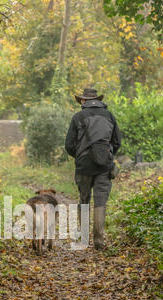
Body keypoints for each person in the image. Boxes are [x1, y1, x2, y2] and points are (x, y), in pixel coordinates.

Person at [65, 88, 121, 250]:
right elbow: (117, 142)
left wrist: (80, 156)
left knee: (84, 200)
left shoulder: (78, 117)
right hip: (104, 166)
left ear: (83, 101)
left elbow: (69, 145)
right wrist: (106, 155)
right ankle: (99, 241)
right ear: (97, 100)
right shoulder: (109, 116)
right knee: (100, 202)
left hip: (83, 166)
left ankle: (83, 239)